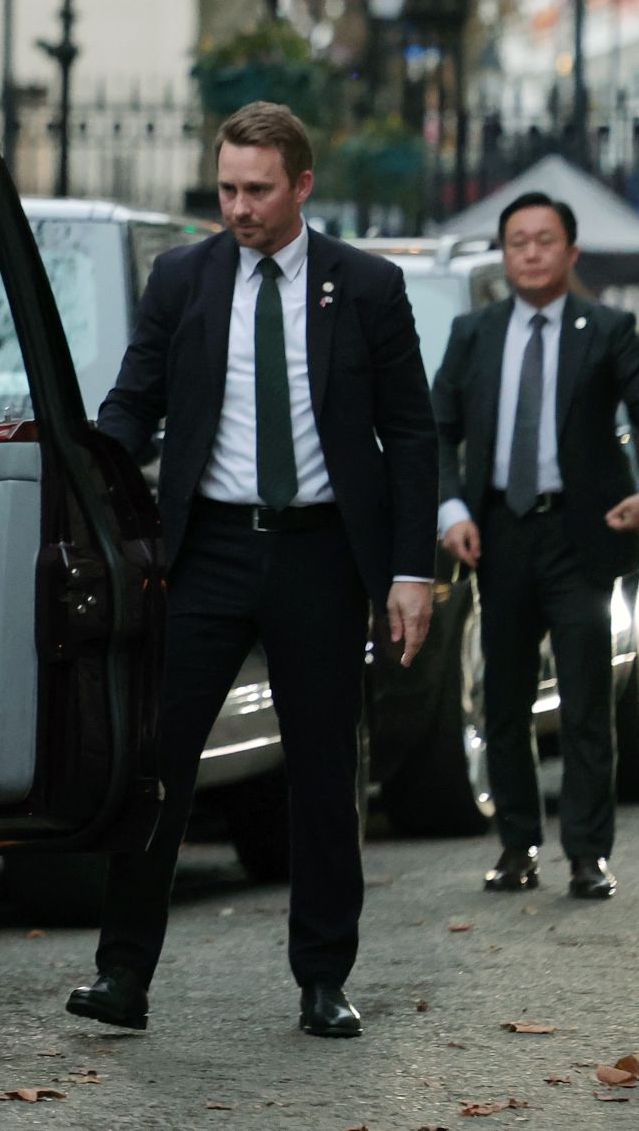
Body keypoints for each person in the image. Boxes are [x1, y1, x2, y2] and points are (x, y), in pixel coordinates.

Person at [66, 101, 436, 1040]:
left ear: (301, 186)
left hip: (319, 554)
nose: (238, 207)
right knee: (158, 762)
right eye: (227, 187)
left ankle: (323, 978)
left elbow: (414, 434)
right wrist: (83, 493)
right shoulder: (182, 279)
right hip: (209, 552)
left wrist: (410, 571)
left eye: (257, 190)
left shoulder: (367, 288)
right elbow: (131, 401)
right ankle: (123, 976)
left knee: (320, 770)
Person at [432, 191, 639, 900]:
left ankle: (588, 854)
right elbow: (437, 429)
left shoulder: (609, 328)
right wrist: (452, 508)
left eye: (544, 240)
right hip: (496, 534)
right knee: (503, 697)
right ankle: (517, 845)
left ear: (571, 252)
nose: (530, 253)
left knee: (587, 695)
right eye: (517, 241)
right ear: (504, 254)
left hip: (583, 534)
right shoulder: (474, 333)